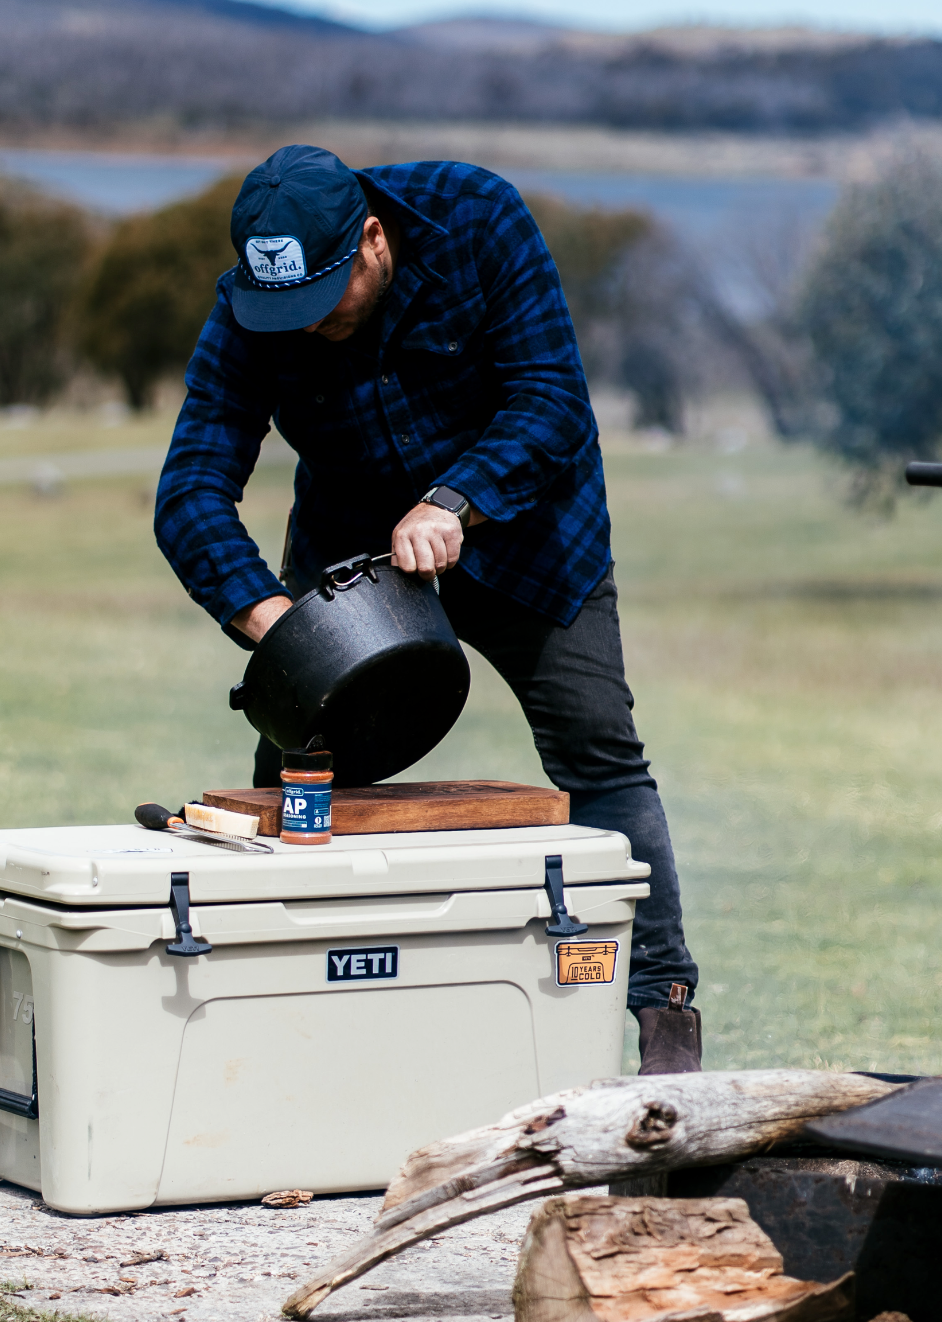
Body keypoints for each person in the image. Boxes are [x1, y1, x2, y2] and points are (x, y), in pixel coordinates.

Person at [154, 144, 702, 1073]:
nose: (307, 326)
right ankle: (286, 1023)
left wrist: (453, 503)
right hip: (354, 552)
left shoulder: (479, 219)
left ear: (373, 239)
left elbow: (551, 404)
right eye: (286, 310)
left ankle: (662, 1009)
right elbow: (190, 491)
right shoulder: (253, 310)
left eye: (323, 301)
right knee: (300, 778)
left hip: (528, 526)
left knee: (597, 751)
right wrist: (273, 621)